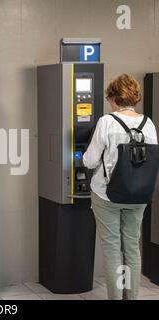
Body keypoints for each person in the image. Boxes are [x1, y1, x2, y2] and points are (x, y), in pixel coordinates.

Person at [83, 74, 158, 300]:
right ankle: (131, 297)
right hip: (139, 195)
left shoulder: (107, 121)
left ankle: (116, 298)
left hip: (108, 196)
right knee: (132, 248)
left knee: (113, 249)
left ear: (114, 98)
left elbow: (90, 160)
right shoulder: (149, 124)